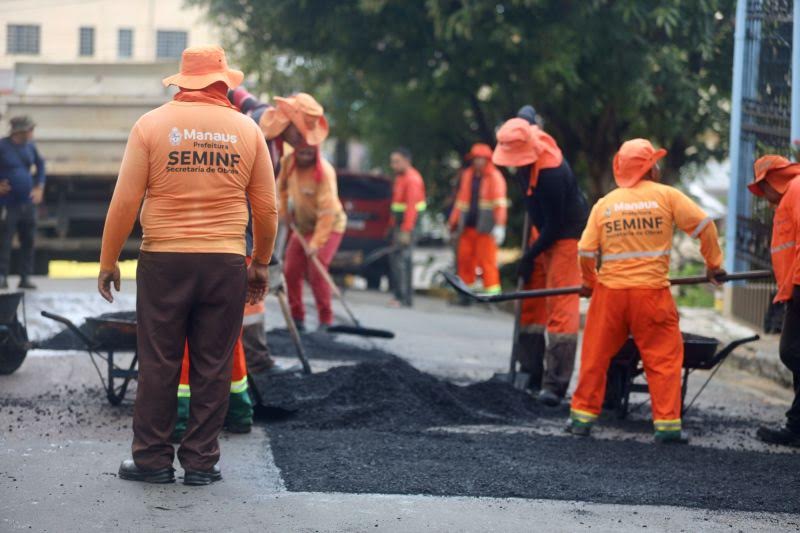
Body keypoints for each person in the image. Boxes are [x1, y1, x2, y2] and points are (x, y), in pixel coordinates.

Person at [97, 45, 278, 485]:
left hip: (164, 259)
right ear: (224, 83)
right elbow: (267, 209)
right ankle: (201, 463)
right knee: (213, 362)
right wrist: (261, 264)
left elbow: (125, 201)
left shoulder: (151, 125)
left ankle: (152, 460)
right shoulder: (247, 130)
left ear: (182, 81)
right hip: (225, 260)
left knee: (159, 360)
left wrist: (109, 260)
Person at [568, 138, 724, 444]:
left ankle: (581, 419)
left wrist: (589, 283)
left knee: (595, 357)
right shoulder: (666, 196)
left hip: (610, 294)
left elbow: (585, 250)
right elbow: (705, 226)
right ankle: (666, 427)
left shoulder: (606, 204)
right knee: (664, 359)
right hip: (651, 294)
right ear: (651, 167)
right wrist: (713, 265)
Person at [492, 117, 587, 406]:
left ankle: (555, 384)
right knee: (532, 301)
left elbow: (556, 225)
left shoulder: (553, 174)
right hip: (543, 229)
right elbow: (528, 112)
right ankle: (530, 370)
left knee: (560, 304)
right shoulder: (524, 141)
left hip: (566, 234)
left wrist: (529, 254)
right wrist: (531, 258)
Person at [262, 93, 347, 332]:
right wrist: (284, 212)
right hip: (302, 226)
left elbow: (328, 213)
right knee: (290, 270)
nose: (306, 154)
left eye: (311, 152)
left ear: (317, 151)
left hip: (329, 227)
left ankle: (326, 321)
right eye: (303, 151)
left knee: (317, 268)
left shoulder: (325, 174)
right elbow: (283, 190)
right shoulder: (288, 163)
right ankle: (297, 318)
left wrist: (317, 243)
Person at [747, 155, 800, 448]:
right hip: (796, 284)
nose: (763, 197)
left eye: (761, 188)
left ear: (771, 180)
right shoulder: (792, 192)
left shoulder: (797, 188)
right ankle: (796, 427)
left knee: (791, 351)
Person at [449, 143, 507, 297]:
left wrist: (500, 226)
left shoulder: (495, 177)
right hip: (467, 227)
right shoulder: (468, 175)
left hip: (486, 228)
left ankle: (492, 294)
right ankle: (465, 293)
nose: (478, 162)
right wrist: (452, 223)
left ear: (488, 160)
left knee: (487, 261)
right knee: (464, 259)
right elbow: (460, 202)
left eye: (482, 159)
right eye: (476, 159)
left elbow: (500, 204)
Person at [0, 116, 45, 289]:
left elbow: (40, 165)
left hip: (28, 203)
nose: (32, 133)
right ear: (20, 131)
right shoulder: (3, 146)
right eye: (30, 130)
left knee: (28, 240)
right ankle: (2, 275)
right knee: (5, 239)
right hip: (8, 203)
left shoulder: (30, 147)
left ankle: (25, 277)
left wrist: (39, 187)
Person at [389, 148, 426, 307]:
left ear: (406, 160)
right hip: (401, 224)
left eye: (396, 161)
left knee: (402, 260)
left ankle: (403, 298)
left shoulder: (412, 180)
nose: (393, 165)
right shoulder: (401, 178)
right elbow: (398, 204)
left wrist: (406, 230)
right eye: (392, 162)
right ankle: (402, 297)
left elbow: (411, 207)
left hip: (408, 225)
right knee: (399, 259)